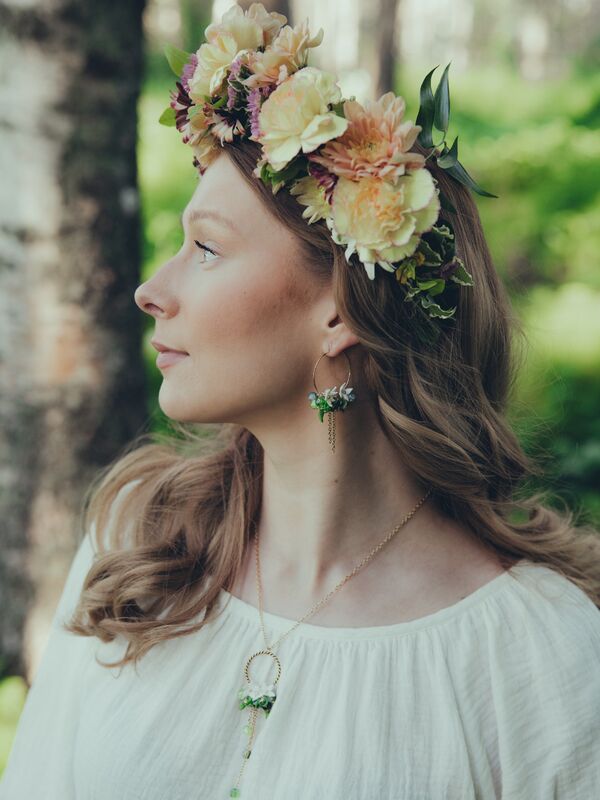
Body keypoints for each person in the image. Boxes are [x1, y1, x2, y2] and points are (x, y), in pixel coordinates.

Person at [2, 4, 599, 799]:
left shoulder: (541, 657)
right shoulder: (132, 550)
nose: (152, 290)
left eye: (207, 248)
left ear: (340, 309)